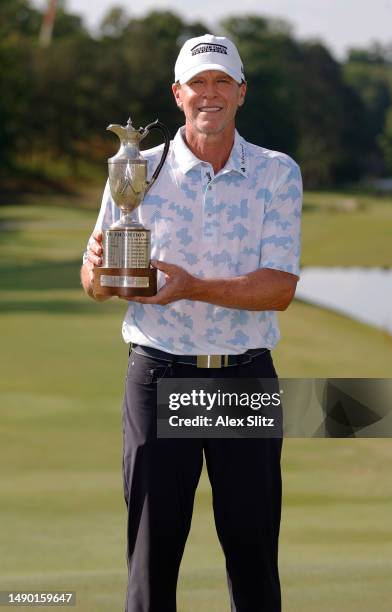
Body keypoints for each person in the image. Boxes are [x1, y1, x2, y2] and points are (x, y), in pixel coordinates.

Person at [81, 33, 302, 612]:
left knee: (253, 555)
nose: (211, 93)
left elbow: (279, 289)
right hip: (159, 377)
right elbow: (96, 282)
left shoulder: (276, 174)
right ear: (178, 94)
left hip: (244, 381)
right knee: (153, 563)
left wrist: (190, 286)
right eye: (198, 83)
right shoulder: (133, 171)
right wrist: (104, 274)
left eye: (222, 82)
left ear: (241, 92)